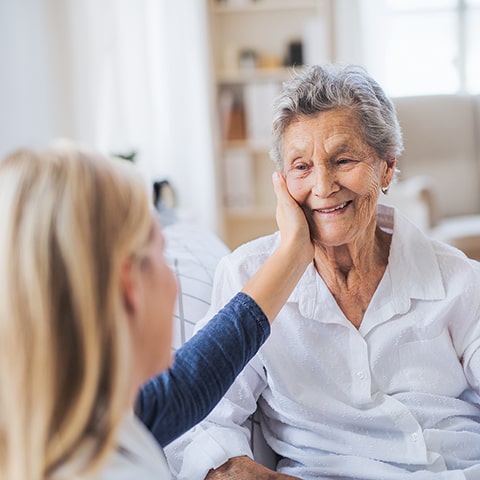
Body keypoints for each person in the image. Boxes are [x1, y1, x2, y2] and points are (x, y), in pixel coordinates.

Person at [163, 63, 480, 480]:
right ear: (281, 182)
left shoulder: (458, 279)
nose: (323, 186)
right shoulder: (248, 277)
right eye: (301, 166)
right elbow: (197, 419)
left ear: (386, 166)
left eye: (343, 159)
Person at [0, 142, 313, 480]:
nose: (174, 282)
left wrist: (292, 253)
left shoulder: (72, 420)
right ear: (129, 285)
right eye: (163, 256)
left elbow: (184, 387)